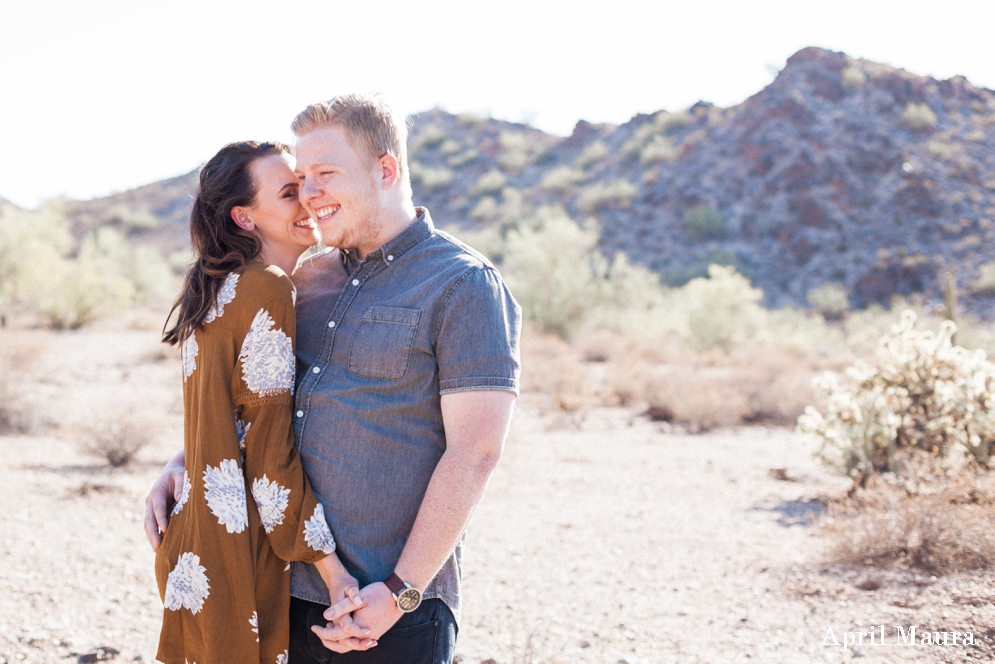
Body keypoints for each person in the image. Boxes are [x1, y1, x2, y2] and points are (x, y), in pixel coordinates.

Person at [147, 94, 522, 664]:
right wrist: (188, 462)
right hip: (283, 590)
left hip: (388, 605)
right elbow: (261, 404)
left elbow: (476, 452)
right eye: (300, 179)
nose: (311, 194)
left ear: (386, 170)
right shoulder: (303, 277)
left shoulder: (463, 284)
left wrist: (398, 594)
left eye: (325, 175)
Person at [148, 141, 372, 664]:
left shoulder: (215, 287)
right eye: (290, 192)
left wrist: (177, 463)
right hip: (236, 552)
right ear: (244, 217)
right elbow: (269, 459)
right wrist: (333, 570)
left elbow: (220, 422)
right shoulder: (266, 289)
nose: (309, 201)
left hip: (193, 542)